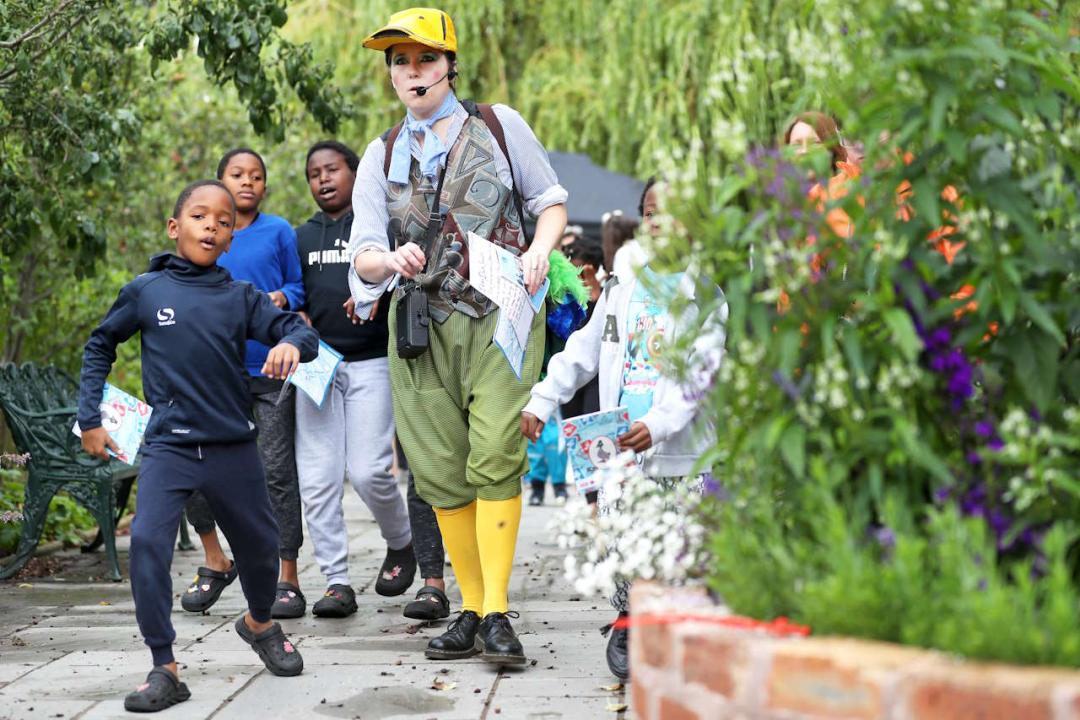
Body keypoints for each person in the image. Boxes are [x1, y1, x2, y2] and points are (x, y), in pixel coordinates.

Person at [348, 7, 568, 666]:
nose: (411, 72)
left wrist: (541, 251)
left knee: (495, 448)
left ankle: (497, 611)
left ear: (448, 65)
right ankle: (470, 608)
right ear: (390, 74)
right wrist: (388, 263)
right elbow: (362, 252)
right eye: (399, 61)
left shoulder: (500, 125)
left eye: (423, 59)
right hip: (420, 328)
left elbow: (548, 201)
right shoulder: (379, 154)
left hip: (500, 312)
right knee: (441, 469)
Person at [78, 180, 317, 712]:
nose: (211, 226)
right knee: (146, 544)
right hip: (169, 449)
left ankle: (258, 623)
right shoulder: (147, 290)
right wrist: (89, 418)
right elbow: (100, 344)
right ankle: (164, 666)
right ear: (175, 227)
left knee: (262, 553)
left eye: (223, 221)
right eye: (200, 216)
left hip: (233, 446)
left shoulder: (241, 297)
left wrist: (285, 342)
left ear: (231, 238)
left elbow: (304, 336)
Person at [520, 180, 726, 681]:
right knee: (622, 543)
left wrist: (656, 424)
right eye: (650, 213)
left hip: (681, 449)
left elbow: (700, 374)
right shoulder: (621, 290)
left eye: (671, 213)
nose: (658, 223)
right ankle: (628, 618)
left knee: (681, 546)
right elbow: (582, 353)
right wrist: (542, 400)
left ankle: (683, 628)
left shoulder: (706, 297)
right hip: (619, 448)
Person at [180, 149, 310, 620]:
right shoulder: (208, 237)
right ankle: (216, 558)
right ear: (218, 184)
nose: (247, 183)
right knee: (192, 466)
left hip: (271, 374)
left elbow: (299, 288)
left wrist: (281, 298)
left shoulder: (277, 231)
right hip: (215, 379)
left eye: (257, 176)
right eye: (237, 175)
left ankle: (288, 575)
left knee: (276, 472)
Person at [293, 140, 420, 617]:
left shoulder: (379, 227)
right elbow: (291, 291)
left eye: (333, 170)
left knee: (368, 470)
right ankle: (336, 581)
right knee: (319, 479)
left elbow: (400, 278)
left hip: (372, 363)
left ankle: (400, 540)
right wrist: (296, 315)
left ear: (355, 173)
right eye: (314, 173)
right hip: (317, 367)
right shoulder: (299, 237)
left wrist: (373, 296)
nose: (323, 179)